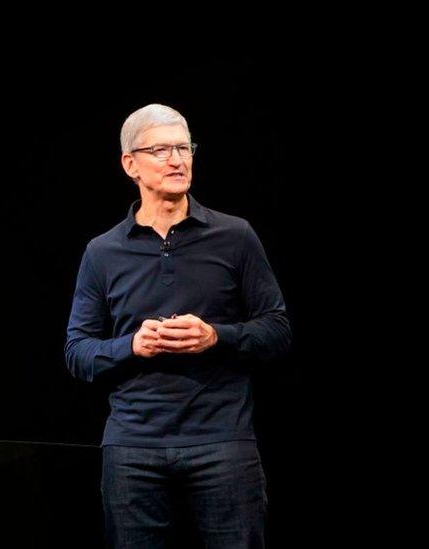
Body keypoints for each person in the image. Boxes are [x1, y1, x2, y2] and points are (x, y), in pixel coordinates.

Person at [64, 104, 291, 547]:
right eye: (161, 149)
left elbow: (277, 329)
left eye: (184, 148)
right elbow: (77, 351)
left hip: (222, 442)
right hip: (133, 449)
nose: (177, 159)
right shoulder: (103, 252)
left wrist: (215, 336)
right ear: (130, 164)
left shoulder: (235, 236)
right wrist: (132, 345)